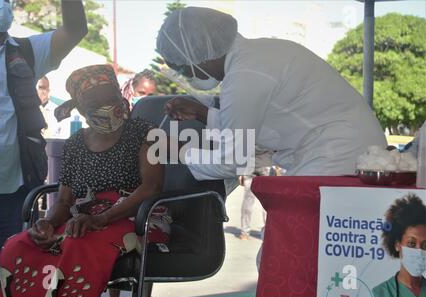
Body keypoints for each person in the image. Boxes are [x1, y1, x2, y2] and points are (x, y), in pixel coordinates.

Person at [0, 64, 170, 297]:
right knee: (18, 245)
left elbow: (151, 188)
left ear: (120, 96)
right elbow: (64, 201)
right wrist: (48, 223)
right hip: (86, 219)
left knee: (77, 244)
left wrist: (101, 218)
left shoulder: (146, 132)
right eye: (96, 104)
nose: (107, 107)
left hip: (141, 217)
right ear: (83, 110)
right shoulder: (75, 144)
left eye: (111, 98)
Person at [156, 7, 387, 182]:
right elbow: (264, 127)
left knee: (296, 237)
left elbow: (231, 162)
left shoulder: (243, 76)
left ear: (201, 56)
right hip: (349, 148)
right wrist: (202, 113)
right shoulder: (260, 53)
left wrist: (179, 150)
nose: (189, 77)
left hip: (337, 154)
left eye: (185, 69)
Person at [0, 0, 88, 284]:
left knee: (9, 281)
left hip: (13, 192)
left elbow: (75, 29)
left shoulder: (25, 51)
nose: (2, 4)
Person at [372, 194, 426, 297]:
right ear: (397, 244)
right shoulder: (381, 294)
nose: (419, 251)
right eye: (411, 244)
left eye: (425, 245)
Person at [238, 147, 273, 240]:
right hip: (258, 165)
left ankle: (246, 232)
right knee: (260, 201)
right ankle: (247, 231)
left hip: (258, 165)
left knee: (262, 202)